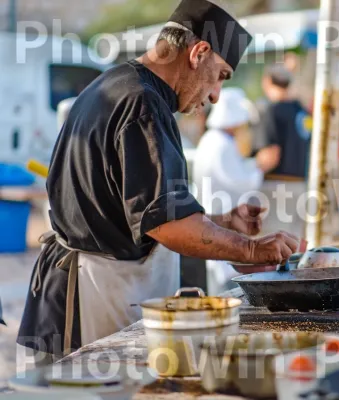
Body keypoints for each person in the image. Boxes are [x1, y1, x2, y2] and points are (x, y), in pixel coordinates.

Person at [17, 0, 299, 369]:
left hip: (86, 293)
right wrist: (249, 250)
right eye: (221, 76)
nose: (215, 95)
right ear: (199, 53)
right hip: (90, 302)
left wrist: (222, 222)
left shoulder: (117, 83)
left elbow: (139, 210)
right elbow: (166, 225)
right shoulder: (142, 103)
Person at [194, 87, 265, 294]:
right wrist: (260, 167)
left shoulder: (215, 141)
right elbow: (237, 180)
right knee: (225, 279)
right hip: (221, 218)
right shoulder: (220, 144)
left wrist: (253, 165)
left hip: (217, 218)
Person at [255, 65, 312, 178]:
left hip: (276, 182)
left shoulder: (270, 110)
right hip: (301, 181)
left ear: (267, 81)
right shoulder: (302, 111)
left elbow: (270, 154)